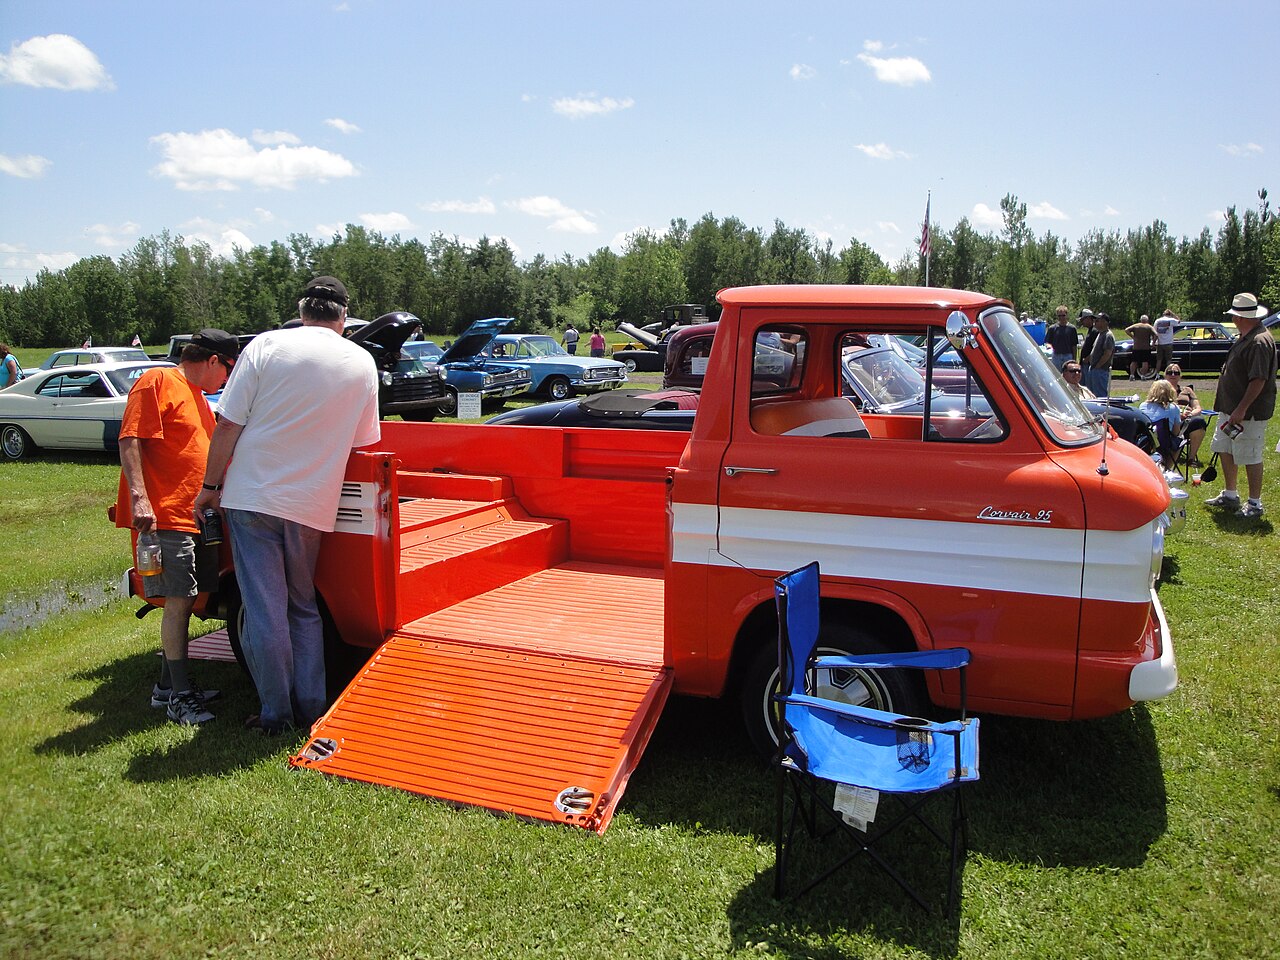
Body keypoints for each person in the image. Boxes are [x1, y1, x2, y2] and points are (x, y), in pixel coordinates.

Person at [194, 277, 381, 734]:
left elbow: (228, 424)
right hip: (313, 502)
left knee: (265, 609)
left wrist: (210, 486)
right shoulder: (362, 361)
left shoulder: (266, 345)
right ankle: (311, 707)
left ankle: (276, 714)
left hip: (253, 496)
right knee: (302, 605)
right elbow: (364, 441)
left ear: (302, 311)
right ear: (343, 317)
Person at [115, 329, 239, 725]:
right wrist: (140, 497)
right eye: (228, 369)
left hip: (194, 515)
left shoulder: (198, 396)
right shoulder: (157, 380)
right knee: (179, 600)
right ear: (213, 360)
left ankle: (166, 688)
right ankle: (180, 698)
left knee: (187, 599)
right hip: (167, 515)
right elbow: (130, 439)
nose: (227, 379)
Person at [1205, 293, 1277, 519]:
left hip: (1248, 413)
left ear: (1240, 317)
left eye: (1234, 315)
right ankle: (1230, 494)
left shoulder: (1259, 342)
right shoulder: (1247, 336)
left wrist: (1242, 409)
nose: (1233, 319)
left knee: (1250, 454)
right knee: (1225, 448)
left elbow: (1259, 380)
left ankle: (1255, 503)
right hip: (1230, 408)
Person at [1165, 364, 1208, 466]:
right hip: (1169, 422)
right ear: (1165, 375)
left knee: (1199, 422)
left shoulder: (1187, 390)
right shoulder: (1161, 390)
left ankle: (1191, 459)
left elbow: (1198, 408)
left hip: (1186, 420)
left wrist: (1189, 414)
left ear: (1180, 376)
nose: (1173, 375)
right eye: (1170, 372)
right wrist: (1177, 414)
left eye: (1176, 373)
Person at [1139, 379, 1183, 471]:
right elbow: (1176, 432)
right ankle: (1167, 468)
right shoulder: (1174, 408)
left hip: (1146, 442)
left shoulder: (1143, 406)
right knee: (1180, 440)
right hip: (1163, 443)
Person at [1084, 312, 1115, 398]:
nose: (1095, 322)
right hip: (1093, 368)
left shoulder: (1108, 335)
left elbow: (1107, 353)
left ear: (1105, 322)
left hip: (1101, 370)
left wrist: (1098, 365)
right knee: (1092, 395)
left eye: (1097, 320)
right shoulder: (1100, 334)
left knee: (1100, 395)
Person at [1044, 306, 1079, 370]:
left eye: (1063, 315)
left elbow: (1074, 345)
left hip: (1068, 356)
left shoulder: (1072, 328)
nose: (1061, 317)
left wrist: (1074, 359)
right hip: (1056, 355)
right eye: (1059, 316)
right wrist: (1049, 346)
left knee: (1068, 373)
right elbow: (1048, 342)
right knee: (1056, 373)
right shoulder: (1052, 328)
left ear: (1066, 315)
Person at [1126, 315, 1157, 380]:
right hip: (1146, 347)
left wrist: (1133, 337)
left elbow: (1126, 330)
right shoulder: (1149, 327)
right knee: (1145, 362)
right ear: (1147, 320)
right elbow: (1156, 334)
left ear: (1140, 320)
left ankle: (1132, 375)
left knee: (1134, 361)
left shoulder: (1136, 326)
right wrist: (1153, 342)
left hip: (1136, 347)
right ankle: (1143, 375)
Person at [1154, 309, 1178, 374]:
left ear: (1163, 314)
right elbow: (1179, 321)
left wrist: (1154, 342)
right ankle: (1168, 373)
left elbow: (1155, 332)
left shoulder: (1157, 320)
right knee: (1168, 360)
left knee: (1159, 360)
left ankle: (1157, 374)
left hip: (1160, 343)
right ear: (1170, 314)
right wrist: (1173, 315)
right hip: (1168, 343)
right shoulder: (1171, 320)